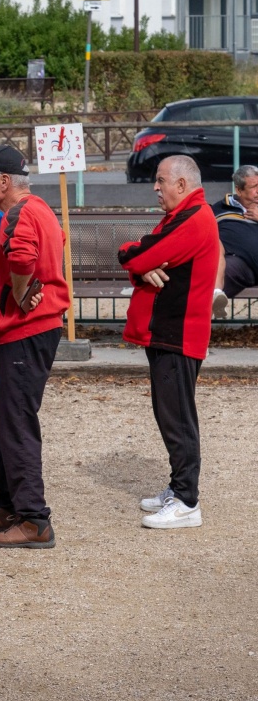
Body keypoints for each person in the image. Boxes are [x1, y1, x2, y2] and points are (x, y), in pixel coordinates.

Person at [0, 145, 70, 549]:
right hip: (33, 328)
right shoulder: (40, 208)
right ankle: (7, 503)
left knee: (16, 423)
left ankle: (34, 520)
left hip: (26, 329)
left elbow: (23, 256)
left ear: (4, 181)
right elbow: (57, 240)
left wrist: (21, 289)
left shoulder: (19, 212)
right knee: (6, 417)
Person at [118, 155, 219, 530]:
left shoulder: (194, 218)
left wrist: (136, 260)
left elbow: (140, 250)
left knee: (177, 418)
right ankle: (178, 488)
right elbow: (148, 252)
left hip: (177, 334)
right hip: (169, 333)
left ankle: (187, 501)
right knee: (171, 415)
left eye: (161, 181)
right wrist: (142, 265)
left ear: (182, 183)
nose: (156, 188)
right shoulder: (184, 215)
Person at [211, 164, 258, 313]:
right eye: (254, 187)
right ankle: (212, 300)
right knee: (215, 272)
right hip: (240, 264)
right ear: (238, 190)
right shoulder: (219, 209)